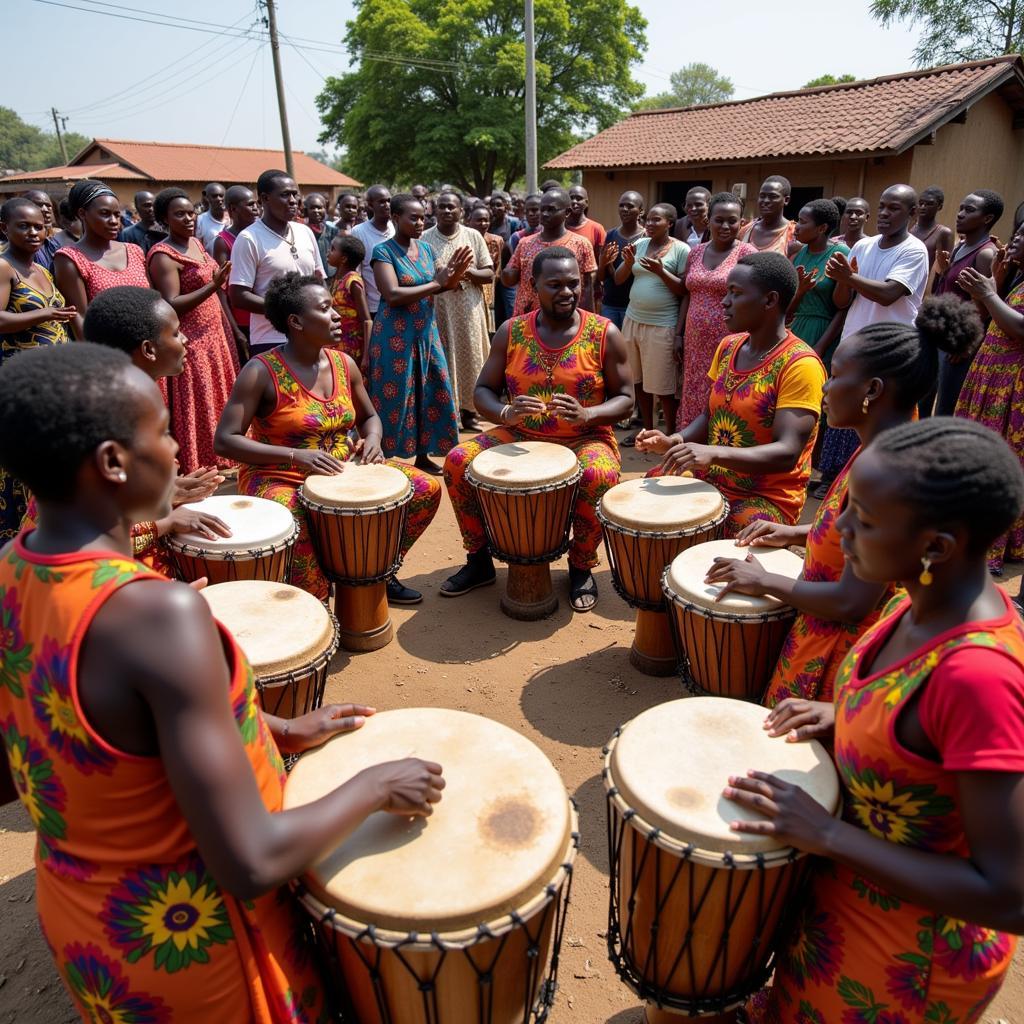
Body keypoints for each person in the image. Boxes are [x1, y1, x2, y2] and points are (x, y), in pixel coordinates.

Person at [0, 342, 445, 1022]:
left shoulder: (14, 565)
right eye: (159, 429)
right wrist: (378, 783)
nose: (179, 447)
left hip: (93, 927)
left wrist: (281, 727)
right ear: (113, 463)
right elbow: (251, 860)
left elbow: (100, 728)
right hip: (196, 940)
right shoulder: (155, 615)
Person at [735, 417, 1024, 1024]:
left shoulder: (981, 679)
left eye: (861, 519)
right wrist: (844, 714)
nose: (837, 528)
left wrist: (827, 834)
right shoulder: (916, 601)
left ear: (936, 547)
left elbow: (1010, 894)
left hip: (906, 961)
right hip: (845, 904)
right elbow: (917, 726)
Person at [705, 295, 983, 707]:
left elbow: (854, 601)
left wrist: (763, 581)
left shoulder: (888, 473)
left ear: (872, 390)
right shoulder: (880, 443)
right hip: (826, 627)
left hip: (840, 656)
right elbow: (857, 534)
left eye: (834, 376)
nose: (825, 389)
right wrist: (798, 533)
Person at [216, 272, 442, 604]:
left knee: (425, 490)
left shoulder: (343, 363)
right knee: (293, 517)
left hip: (342, 469)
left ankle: (374, 569)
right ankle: (316, 598)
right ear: (296, 321)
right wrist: (295, 457)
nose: (337, 315)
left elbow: (370, 419)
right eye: (325, 309)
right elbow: (225, 440)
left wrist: (375, 440)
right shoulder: (260, 371)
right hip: (277, 473)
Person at [442, 248, 633, 611]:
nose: (567, 292)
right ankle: (478, 559)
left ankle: (580, 565)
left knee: (598, 473)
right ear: (533, 286)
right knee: (457, 460)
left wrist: (589, 414)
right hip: (520, 435)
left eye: (574, 284)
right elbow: (482, 390)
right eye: (556, 284)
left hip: (584, 437)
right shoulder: (511, 331)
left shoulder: (604, 332)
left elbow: (626, 399)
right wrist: (505, 412)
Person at [638, 252, 826, 535]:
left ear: (770, 300)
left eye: (735, 293)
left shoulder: (800, 365)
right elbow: (708, 416)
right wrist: (674, 440)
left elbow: (787, 452)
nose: (724, 301)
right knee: (654, 486)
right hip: (715, 476)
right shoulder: (729, 346)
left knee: (736, 525)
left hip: (766, 494)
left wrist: (713, 453)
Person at [818, 184, 930, 495]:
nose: (884, 213)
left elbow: (889, 293)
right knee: (848, 410)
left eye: (894, 208)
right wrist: (843, 282)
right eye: (882, 206)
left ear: (912, 213)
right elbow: (843, 301)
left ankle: (872, 483)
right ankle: (835, 479)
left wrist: (848, 278)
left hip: (890, 349)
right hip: (856, 341)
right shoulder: (863, 247)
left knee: (877, 414)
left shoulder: (913, 250)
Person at [369, 194, 471, 473]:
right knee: (395, 395)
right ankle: (385, 456)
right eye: (412, 217)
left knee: (429, 391)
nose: (419, 222)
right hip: (394, 337)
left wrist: (452, 277)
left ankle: (423, 455)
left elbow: (441, 285)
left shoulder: (426, 250)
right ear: (395, 218)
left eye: (422, 217)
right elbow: (392, 294)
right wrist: (437, 283)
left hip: (426, 333)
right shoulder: (383, 252)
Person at [146, 187, 238, 473]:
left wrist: (229, 329)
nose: (188, 218)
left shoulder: (198, 245)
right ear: (164, 219)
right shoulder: (163, 255)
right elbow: (171, 303)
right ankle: (202, 464)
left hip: (215, 335)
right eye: (179, 214)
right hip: (191, 339)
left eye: (191, 212)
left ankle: (226, 457)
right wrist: (212, 285)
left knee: (220, 395)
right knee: (198, 401)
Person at [0, 197, 75, 540]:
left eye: (39, 226)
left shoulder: (42, 270)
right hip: (22, 380)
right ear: (5, 229)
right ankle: (19, 535)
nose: (34, 232)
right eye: (24, 226)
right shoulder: (4, 267)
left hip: (53, 379)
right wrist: (44, 314)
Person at [955, 223, 1024, 575]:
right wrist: (995, 283)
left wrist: (989, 294)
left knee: (999, 460)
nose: (1015, 240)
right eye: (1017, 233)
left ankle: (993, 544)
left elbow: (1021, 328)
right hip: (991, 375)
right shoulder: (1017, 279)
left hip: (1011, 387)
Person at [674, 191, 758, 427]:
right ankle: (691, 448)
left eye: (732, 220)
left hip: (730, 338)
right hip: (695, 341)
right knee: (694, 388)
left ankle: (719, 448)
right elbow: (688, 296)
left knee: (725, 390)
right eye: (719, 219)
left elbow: (753, 297)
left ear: (741, 222)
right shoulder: (696, 252)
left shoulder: (747, 254)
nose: (725, 225)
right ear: (708, 220)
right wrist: (679, 334)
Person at [228, 170, 324, 357]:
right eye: (285, 194)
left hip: (311, 334)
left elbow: (319, 278)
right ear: (264, 198)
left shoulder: (305, 232)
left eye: (295, 194)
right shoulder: (249, 238)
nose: (293, 200)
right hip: (271, 338)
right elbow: (239, 296)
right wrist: (287, 311)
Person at [925, 189, 1003, 416]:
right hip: (939, 337)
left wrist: (965, 343)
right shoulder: (960, 247)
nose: (960, 214)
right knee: (924, 401)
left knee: (945, 409)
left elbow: (984, 305)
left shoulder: (986, 254)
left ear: (987, 218)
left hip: (956, 345)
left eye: (969, 210)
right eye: (960, 208)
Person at [614, 202, 689, 437]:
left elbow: (684, 291)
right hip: (633, 320)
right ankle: (648, 430)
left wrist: (660, 272)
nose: (650, 223)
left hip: (663, 325)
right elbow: (618, 279)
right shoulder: (640, 244)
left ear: (670, 223)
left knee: (663, 387)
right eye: (649, 219)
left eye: (657, 220)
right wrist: (627, 263)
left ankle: (670, 436)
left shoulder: (681, 250)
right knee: (638, 381)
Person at [423, 190, 495, 431]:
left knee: (472, 358)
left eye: (451, 207)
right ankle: (445, 414)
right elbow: (421, 276)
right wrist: (444, 276)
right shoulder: (424, 239)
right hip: (440, 310)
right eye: (442, 206)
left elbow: (488, 273)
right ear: (434, 210)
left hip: (469, 311)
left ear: (461, 211)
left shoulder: (473, 236)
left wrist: (466, 271)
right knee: (442, 358)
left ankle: (470, 413)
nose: (446, 211)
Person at [52, 179, 149, 340]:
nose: (113, 221)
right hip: (108, 350)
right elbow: (79, 318)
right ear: (82, 214)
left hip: (146, 346)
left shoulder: (134, 251)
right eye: (105, 214)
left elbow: (151, 301)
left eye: (117, 215)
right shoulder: (70, 258)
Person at [503, 189, 597, 316]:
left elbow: (587, 287)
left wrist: (588, 321)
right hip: (527, 319)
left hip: (565, 318)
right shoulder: (524, 243)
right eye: (542, 209)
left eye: (551, 210)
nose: (545, 214)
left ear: (567, 212)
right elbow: (509, 279)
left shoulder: (581, 244)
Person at [787, 199, 850, 366]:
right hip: (796, 331)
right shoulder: (799, 254)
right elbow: (788, 310)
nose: (796, 227)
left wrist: (821, 346)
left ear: (822, 228)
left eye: (803, 222)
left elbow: (844, 308)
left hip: (824, 334)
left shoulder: (839, 253)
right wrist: (800, 291)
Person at [212, 185, 260, 358]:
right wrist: (234, 329)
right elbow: (221, 290)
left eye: (256, 204)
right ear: (233, 209)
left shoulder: (258, 236)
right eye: (250, 204)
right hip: (243, 320)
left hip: (264, 316)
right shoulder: (223, 242)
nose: (256, 209)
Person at [598, 190, 645, 331]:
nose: (625, 209)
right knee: (609, 347)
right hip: (610, 304)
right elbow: (601, 277)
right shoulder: (610, 235)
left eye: (630, 206)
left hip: (634, 307)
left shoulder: (646, 238)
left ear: (641, 212)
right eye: (621, 205)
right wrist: (603, 263)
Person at [350, 184, 395, 320]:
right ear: (370, 205)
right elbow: (356, 274)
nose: (387, 205)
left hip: (398, 302)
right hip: (374, 307)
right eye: (381, 202)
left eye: (388, 201)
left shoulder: (396, 228)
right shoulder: (359, 232)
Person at [326, 233, 370, 366]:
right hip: (335, 344)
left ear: (343, 258)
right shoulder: (335, 280)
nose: (328, 252)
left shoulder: (353, 281)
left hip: (351, 349)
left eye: (333, 249)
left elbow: (367, 320)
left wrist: (366, 357)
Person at [738, 176, 800, 256]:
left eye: (773, 196)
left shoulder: (794, 233)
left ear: (786, 200)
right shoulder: (746, 230)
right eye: (762, 196)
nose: (766, 201)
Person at [488, 191, 522, 328]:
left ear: (506, 207)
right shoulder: (488, 225)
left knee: (510, 306)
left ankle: (513, 334)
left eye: (498, 205)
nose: (495, 208)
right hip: (492, 275)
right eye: (492, 205)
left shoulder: (513, 224)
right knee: (498, 308)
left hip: (508, 273)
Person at [910, 184, 954, 270]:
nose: (923, 207)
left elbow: (945, 269)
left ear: (939, 207)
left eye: (929, 204)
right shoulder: (909, 228)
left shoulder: (943, 233)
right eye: (921, 203)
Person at [21, 189, 63, 270]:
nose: (45, 209)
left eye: (48, 205)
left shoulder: (54, 243)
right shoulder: (20, 247)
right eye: (38, 204)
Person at [566, 185, 606, 267]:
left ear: (586, 203)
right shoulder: (560, 227)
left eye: (579, 198)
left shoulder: (596, 229)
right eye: (571, 198)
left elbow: (601, 261)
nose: (574, 201)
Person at [118, 190, 165, 255]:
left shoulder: (166, 231)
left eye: (154, 205)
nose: (151, 209)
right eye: (146, 205)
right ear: (137, 208)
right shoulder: (127, 234)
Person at [304, 192, 337, 279]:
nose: (316, 211)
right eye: (312, 208)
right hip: (311, 276)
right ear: (306, 210)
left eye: (319, 208)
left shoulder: (332, 230)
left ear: (325, 209)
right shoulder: (302, 231)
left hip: (331, 275)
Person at [195, 182, 229, 252]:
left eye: (221, 196)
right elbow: (199, 248)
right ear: (207, 198)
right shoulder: (200, 220)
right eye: (214, 196)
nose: (219, 199)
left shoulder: (233, 218)